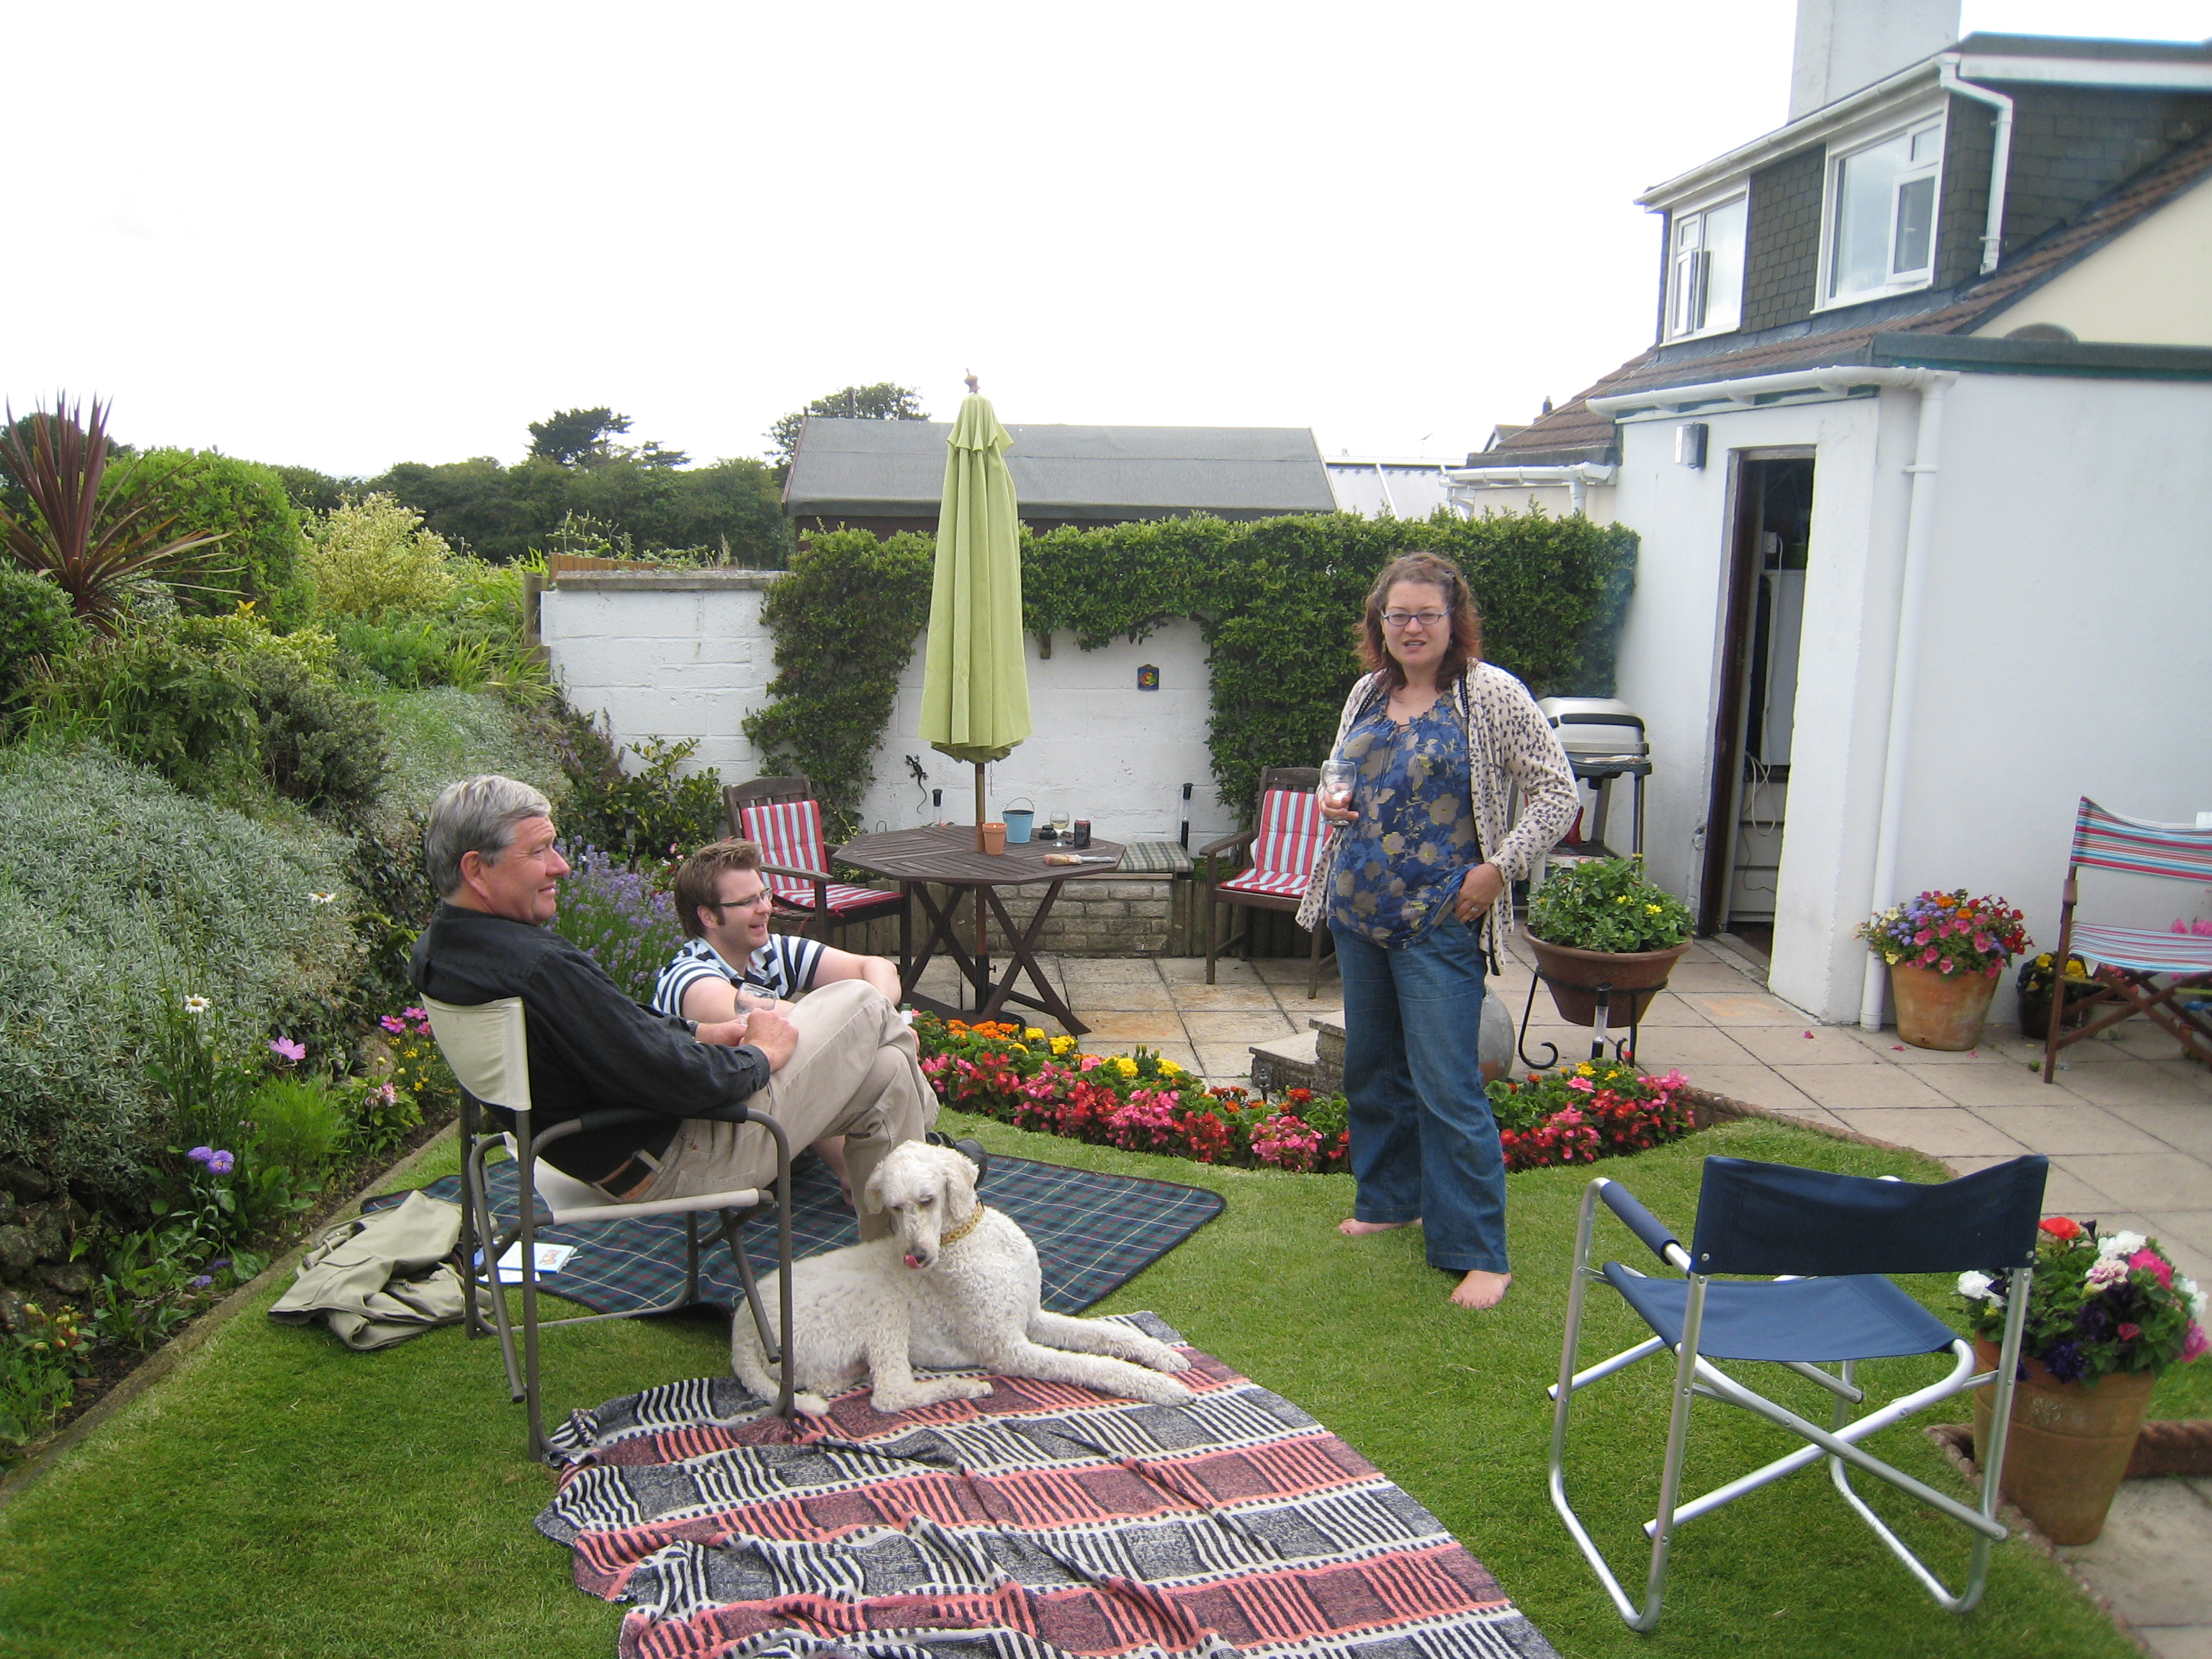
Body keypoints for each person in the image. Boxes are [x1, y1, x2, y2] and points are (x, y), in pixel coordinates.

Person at [408, 775, 935, 1238]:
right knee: (861, 1001)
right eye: (539, 851)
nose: (561, 866)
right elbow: (673, 1078)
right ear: (477, 869)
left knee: (888, 1071)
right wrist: (757, 1056)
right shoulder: (538, 967)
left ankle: (896, 1263)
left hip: (601, 1152)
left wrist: (700, 1034)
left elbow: (617, 1035)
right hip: (682, 1156)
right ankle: (931, 1164)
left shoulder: (442, 954)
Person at [1298, 552, 1576, 1310]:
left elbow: (1558, 793)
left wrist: (1500, 869)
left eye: (1427, 614)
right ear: (1380, 623)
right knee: (1372, 1071)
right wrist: (1331, 799)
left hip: (1440, 921)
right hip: (1358, 912)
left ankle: (1479, 1251)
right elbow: (1340, 768)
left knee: (1448, 1086)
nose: (1412, 627)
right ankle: (1390, 1201)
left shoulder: (1490, 695)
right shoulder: (1368, 691)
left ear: (1455, 621)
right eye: (1399, 615)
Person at [652, 837, 906, 1198]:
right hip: (707, 1143)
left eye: (764, 894)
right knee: (798, 1051)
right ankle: (863, 1176)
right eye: (747, 902)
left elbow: (876, 967)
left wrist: (878, 1016)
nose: (765, 908)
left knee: (885, 1054)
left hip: (760, 1119)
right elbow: (790, 1024)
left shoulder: (766, 952)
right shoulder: (691, 979)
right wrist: (880, 1023)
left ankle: (901, 1163)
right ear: (708, 916)